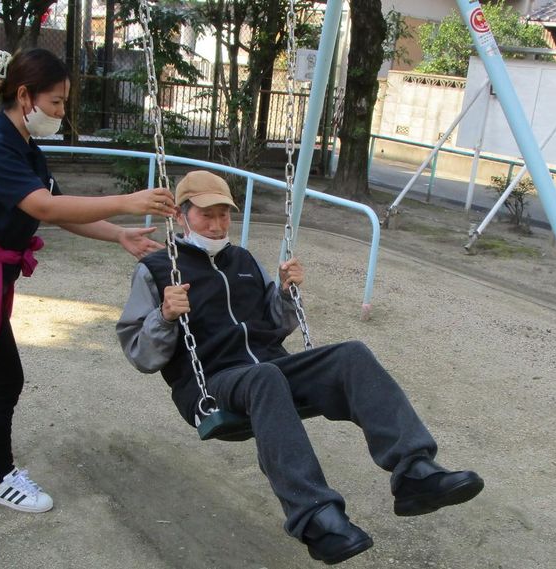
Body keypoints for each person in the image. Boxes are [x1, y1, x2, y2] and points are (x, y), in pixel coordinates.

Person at [116, 170, 484, 565]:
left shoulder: (243, 261)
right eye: (207, 215)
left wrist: (286, 293)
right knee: (265, 376)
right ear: (181, 215)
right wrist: (165, 317)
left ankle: (415, 473)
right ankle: (316, 518)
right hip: (212, 386)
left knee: (351, 354)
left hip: (270, 370)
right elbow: (140, 354)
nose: (218, 225)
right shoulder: (158, 269)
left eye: (224, 215)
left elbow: (273, 327)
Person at [0, 48, 176, 514]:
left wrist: (119, 234)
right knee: (5, 378)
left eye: (62, 103)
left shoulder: (25, 149)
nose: (60, 113)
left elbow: (58, 210)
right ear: (25, 96)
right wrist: (127, 201)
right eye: (55, 102)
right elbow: (44, 207)